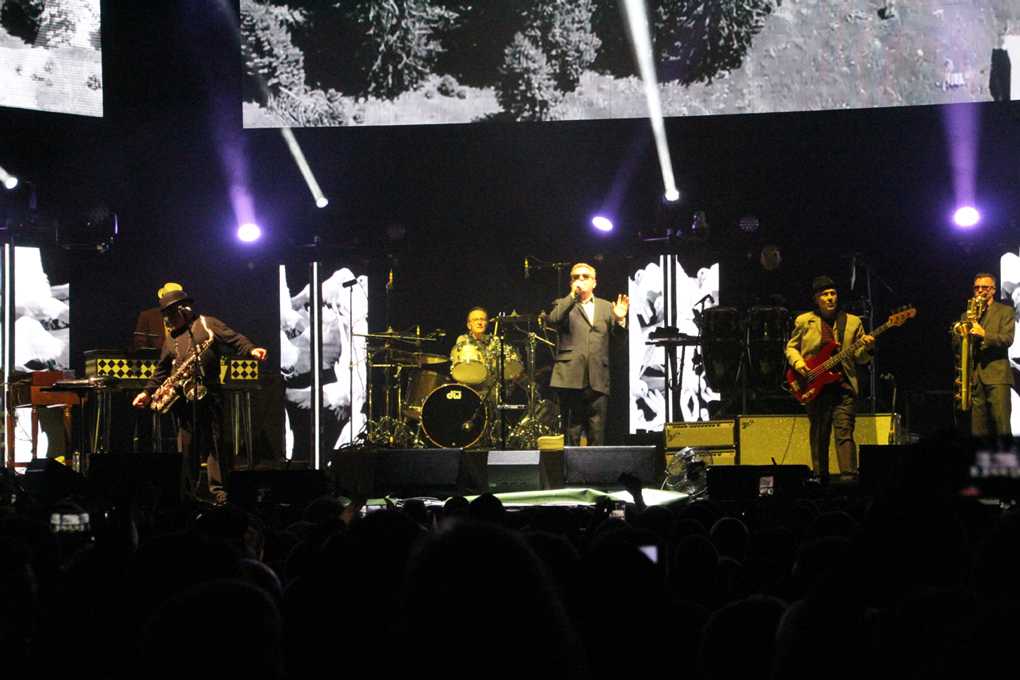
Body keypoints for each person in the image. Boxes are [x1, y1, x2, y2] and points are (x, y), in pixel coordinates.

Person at [131, 288, 267, 504]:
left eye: (170, 315)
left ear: (183, 310)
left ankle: (219, 493)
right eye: (165, 316)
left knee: (214, 444)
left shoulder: (207, 324)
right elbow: (162, 371)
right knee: (186, 448)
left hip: (209, 396)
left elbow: (234, 339)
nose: (167, 321)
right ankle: (187, 494)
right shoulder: (171, 340)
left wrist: (251, 350)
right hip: (183, 403)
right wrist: (147, 392)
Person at [785, 276, 874, 481]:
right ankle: (820, 477)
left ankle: (849, 478)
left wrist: (868, 348)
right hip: (815, 386)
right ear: (817, 299)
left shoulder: (852, 322)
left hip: (843, 387)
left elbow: (859, 357)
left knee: (844, 433)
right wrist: (800, 364)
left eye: (833, 293)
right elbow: (791, 347)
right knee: (819, 435)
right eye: (825, 294)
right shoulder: (804, 321)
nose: (830, 298)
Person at [547, 262, 628, 446]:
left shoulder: (607, 307)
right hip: (570, 377)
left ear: (594, 283)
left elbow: (618, 343)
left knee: (597, 433)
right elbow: (553, 319)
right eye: (576, 277)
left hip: (598, 377)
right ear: (570, 282)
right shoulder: (563, 304)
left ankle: (595, 474)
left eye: (585, 277)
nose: (580, 280)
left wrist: (621, 320)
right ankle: (570, 475)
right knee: (572, 433)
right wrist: (571, 296)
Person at [954, 272, 1014, 437]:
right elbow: (960, 347)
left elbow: (1007, 339)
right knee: (978, 430)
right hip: (974, 379)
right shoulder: (967, 315)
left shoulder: (1005, 311)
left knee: (1001, 426)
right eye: (977, 287)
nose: (980, 291)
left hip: (997, 377)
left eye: (985, 287)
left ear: (993, 290)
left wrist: (983, 334)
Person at [131, 282, 181, 352]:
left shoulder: (185, 317)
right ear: (162, 300)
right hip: (155, 360)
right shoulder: (147, 316)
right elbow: (139, 344)